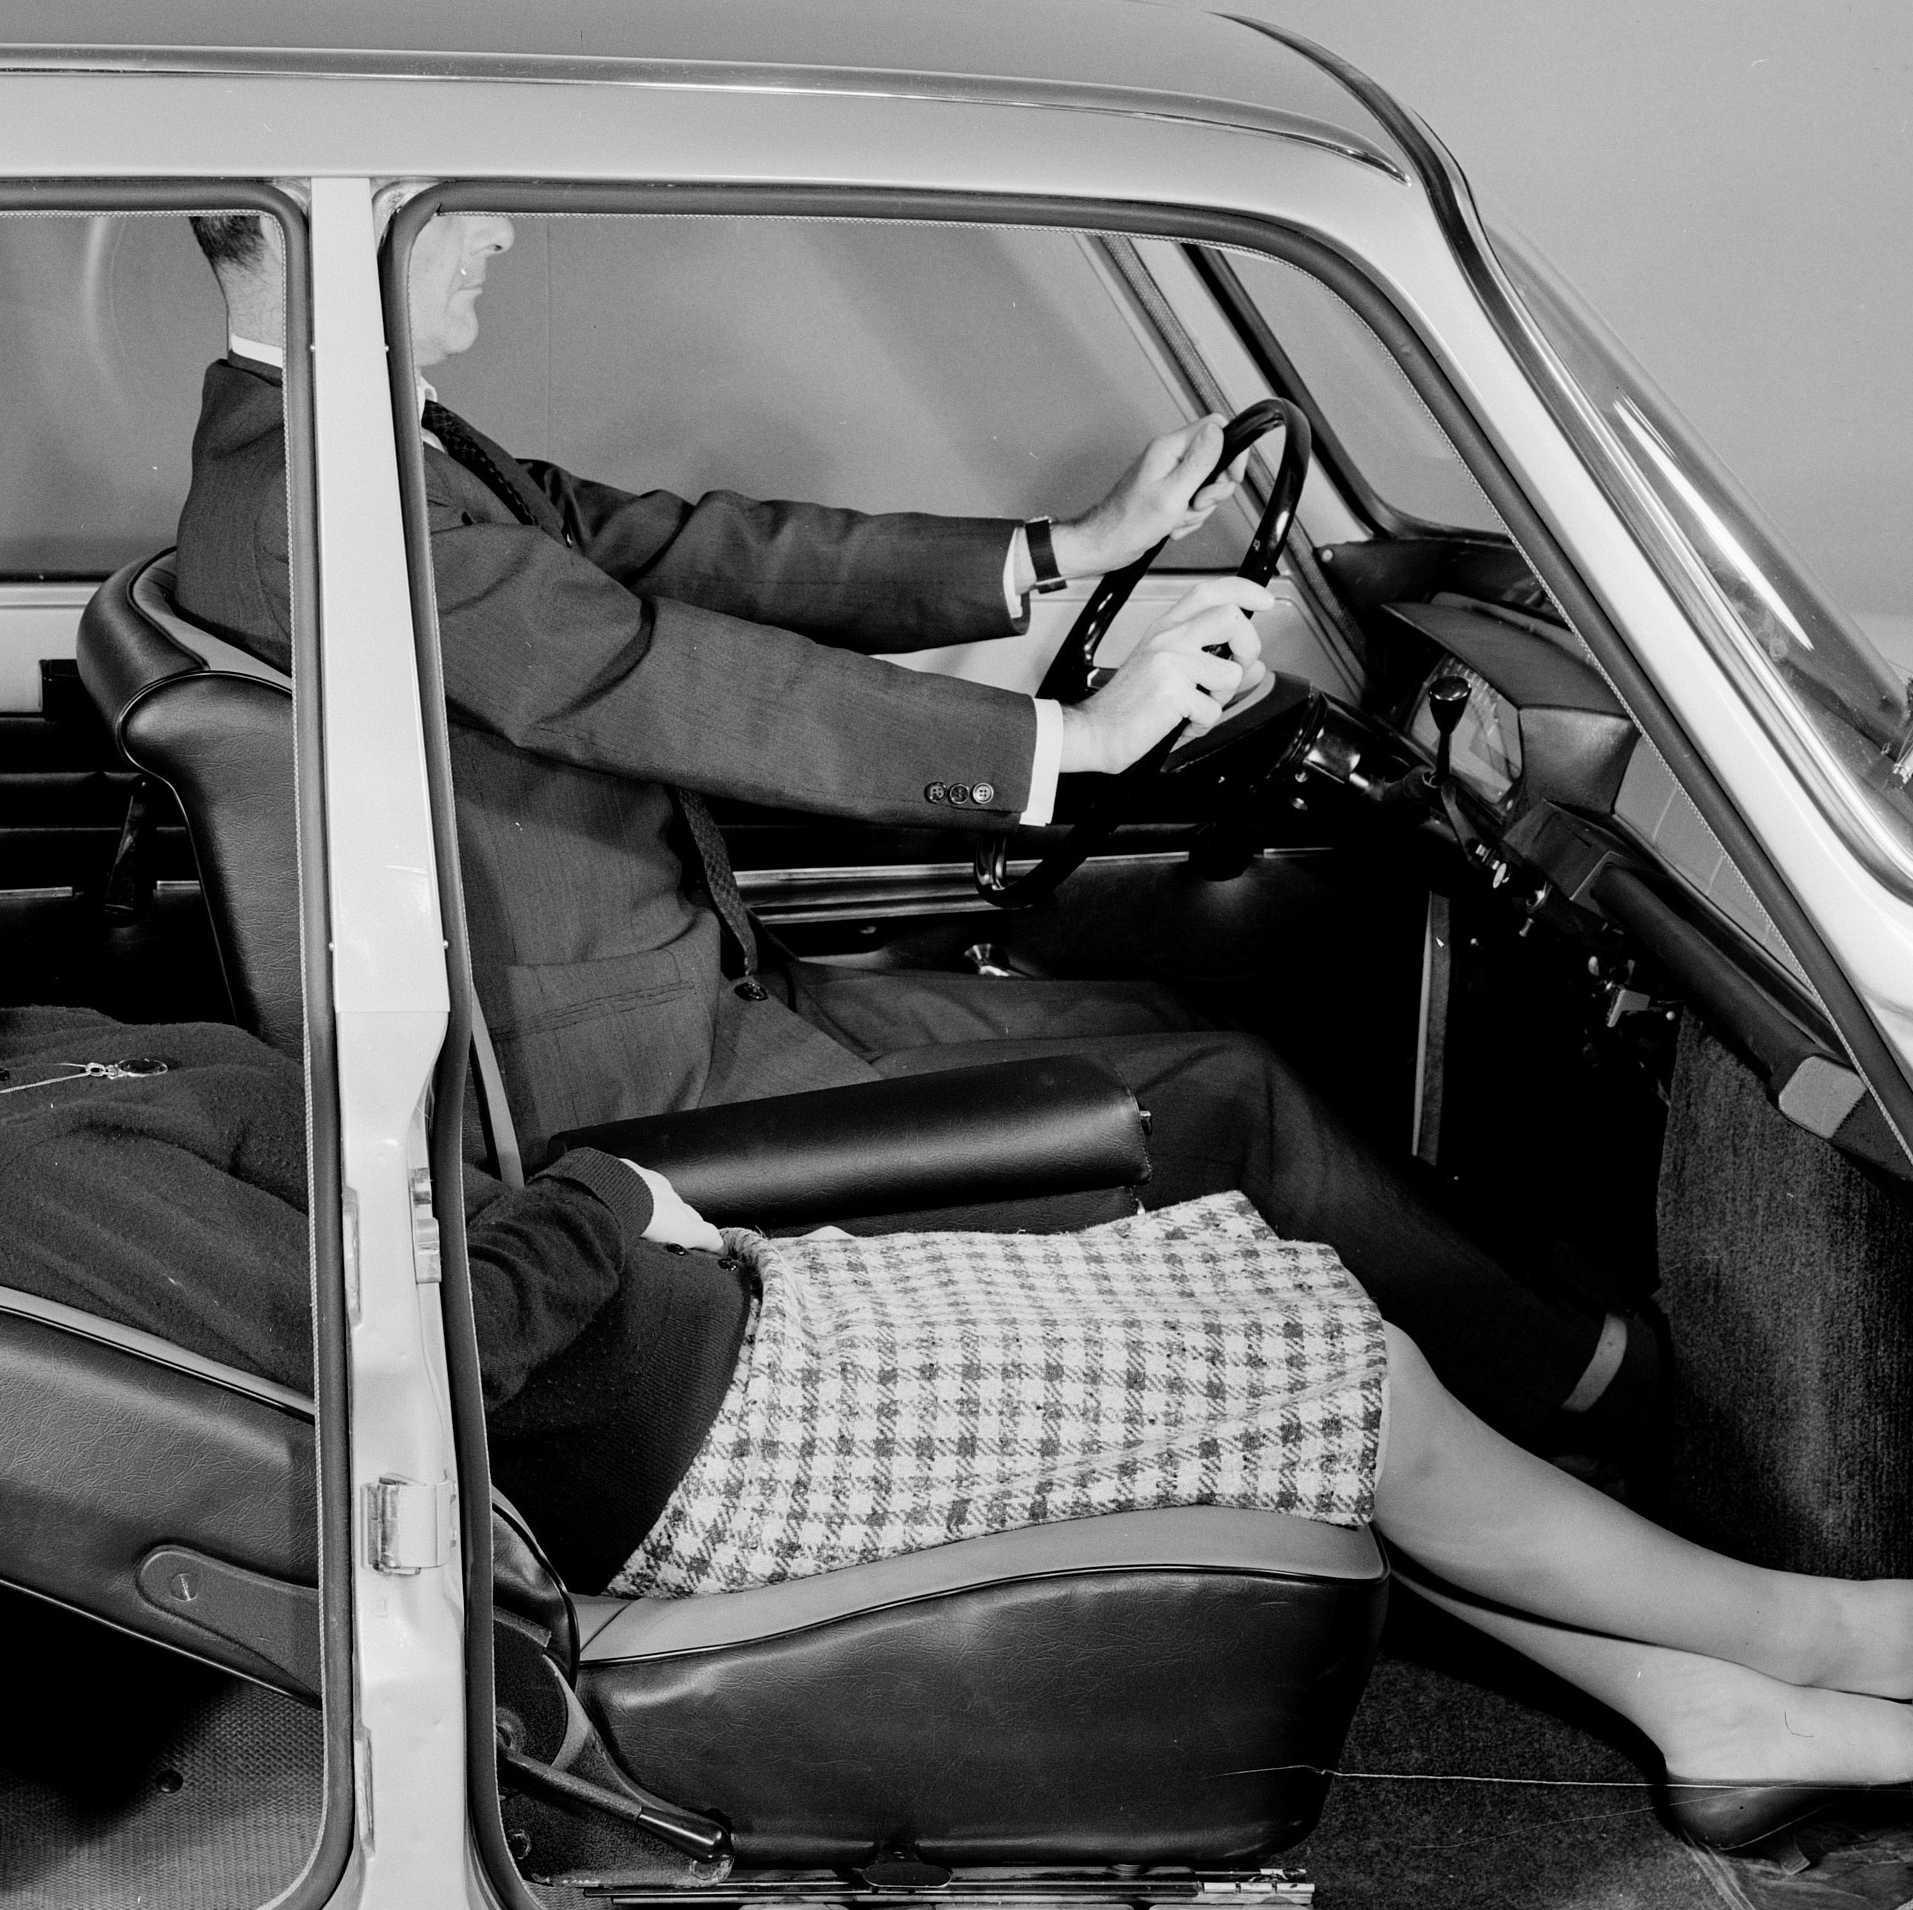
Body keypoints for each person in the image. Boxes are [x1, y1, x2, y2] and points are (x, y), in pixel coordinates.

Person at [0, 820, 1913, 1849]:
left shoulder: (1, 1077)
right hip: (669, 1445)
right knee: (1327, 1359)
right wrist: (606, 1200)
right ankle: (1806, 1635)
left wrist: (593, 1221)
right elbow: (411, 1351)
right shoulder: (6, 1180)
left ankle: (1705, 1708)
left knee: (1235, 1279)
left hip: (668, 1342)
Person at [171, 211, 1659, 1449]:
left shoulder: (338, 447)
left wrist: (1065, 549)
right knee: (1234, 1095)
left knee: (1158, 1018)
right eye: (440, 197)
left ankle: (1499, 1353)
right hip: (633, 1087)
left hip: (680, 1003)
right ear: (319, 224)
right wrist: (1068, 742)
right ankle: (1588, 1388)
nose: (495, 227)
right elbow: (642, 669)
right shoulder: (325, 498)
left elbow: (680, 552)